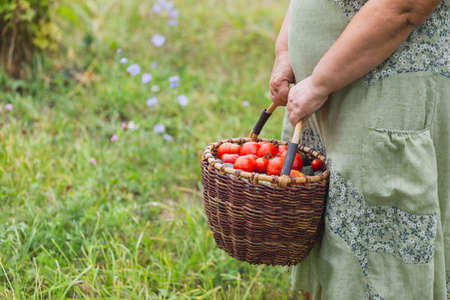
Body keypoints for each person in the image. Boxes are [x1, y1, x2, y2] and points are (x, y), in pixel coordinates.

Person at [269, 0, 449, 299]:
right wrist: (286, 49)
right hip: (327, 91)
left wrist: (320, 83)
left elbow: (404, 6)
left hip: (390, 92)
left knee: (382, 259)